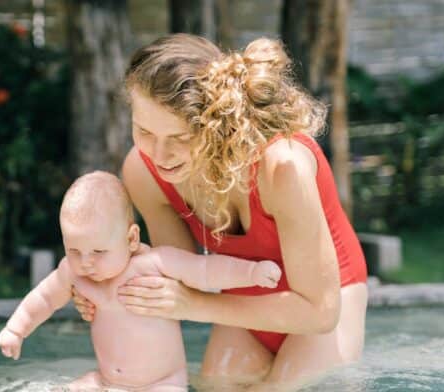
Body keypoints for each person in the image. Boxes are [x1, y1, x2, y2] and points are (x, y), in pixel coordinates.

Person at [72, 34, 369, 389]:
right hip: (243, 301)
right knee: (216, 385)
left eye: (181, 138)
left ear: (219, 124)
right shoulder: (143, 172)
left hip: (325, 302)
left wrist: (194, 306)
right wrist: (105, 286)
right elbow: (176, 276)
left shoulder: (283, 167)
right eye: (144, 131)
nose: (160, 154)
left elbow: (320, 311)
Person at [0, 171, 282, 391]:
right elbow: (44, 298)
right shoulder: (74, 274)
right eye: (74, 250)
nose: (86, 262)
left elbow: (206, 269)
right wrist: (16, 329)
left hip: (163, 382)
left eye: (98, 252)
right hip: (108, 381)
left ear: (131, 239)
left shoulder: (155, 265)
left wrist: (251, 273)